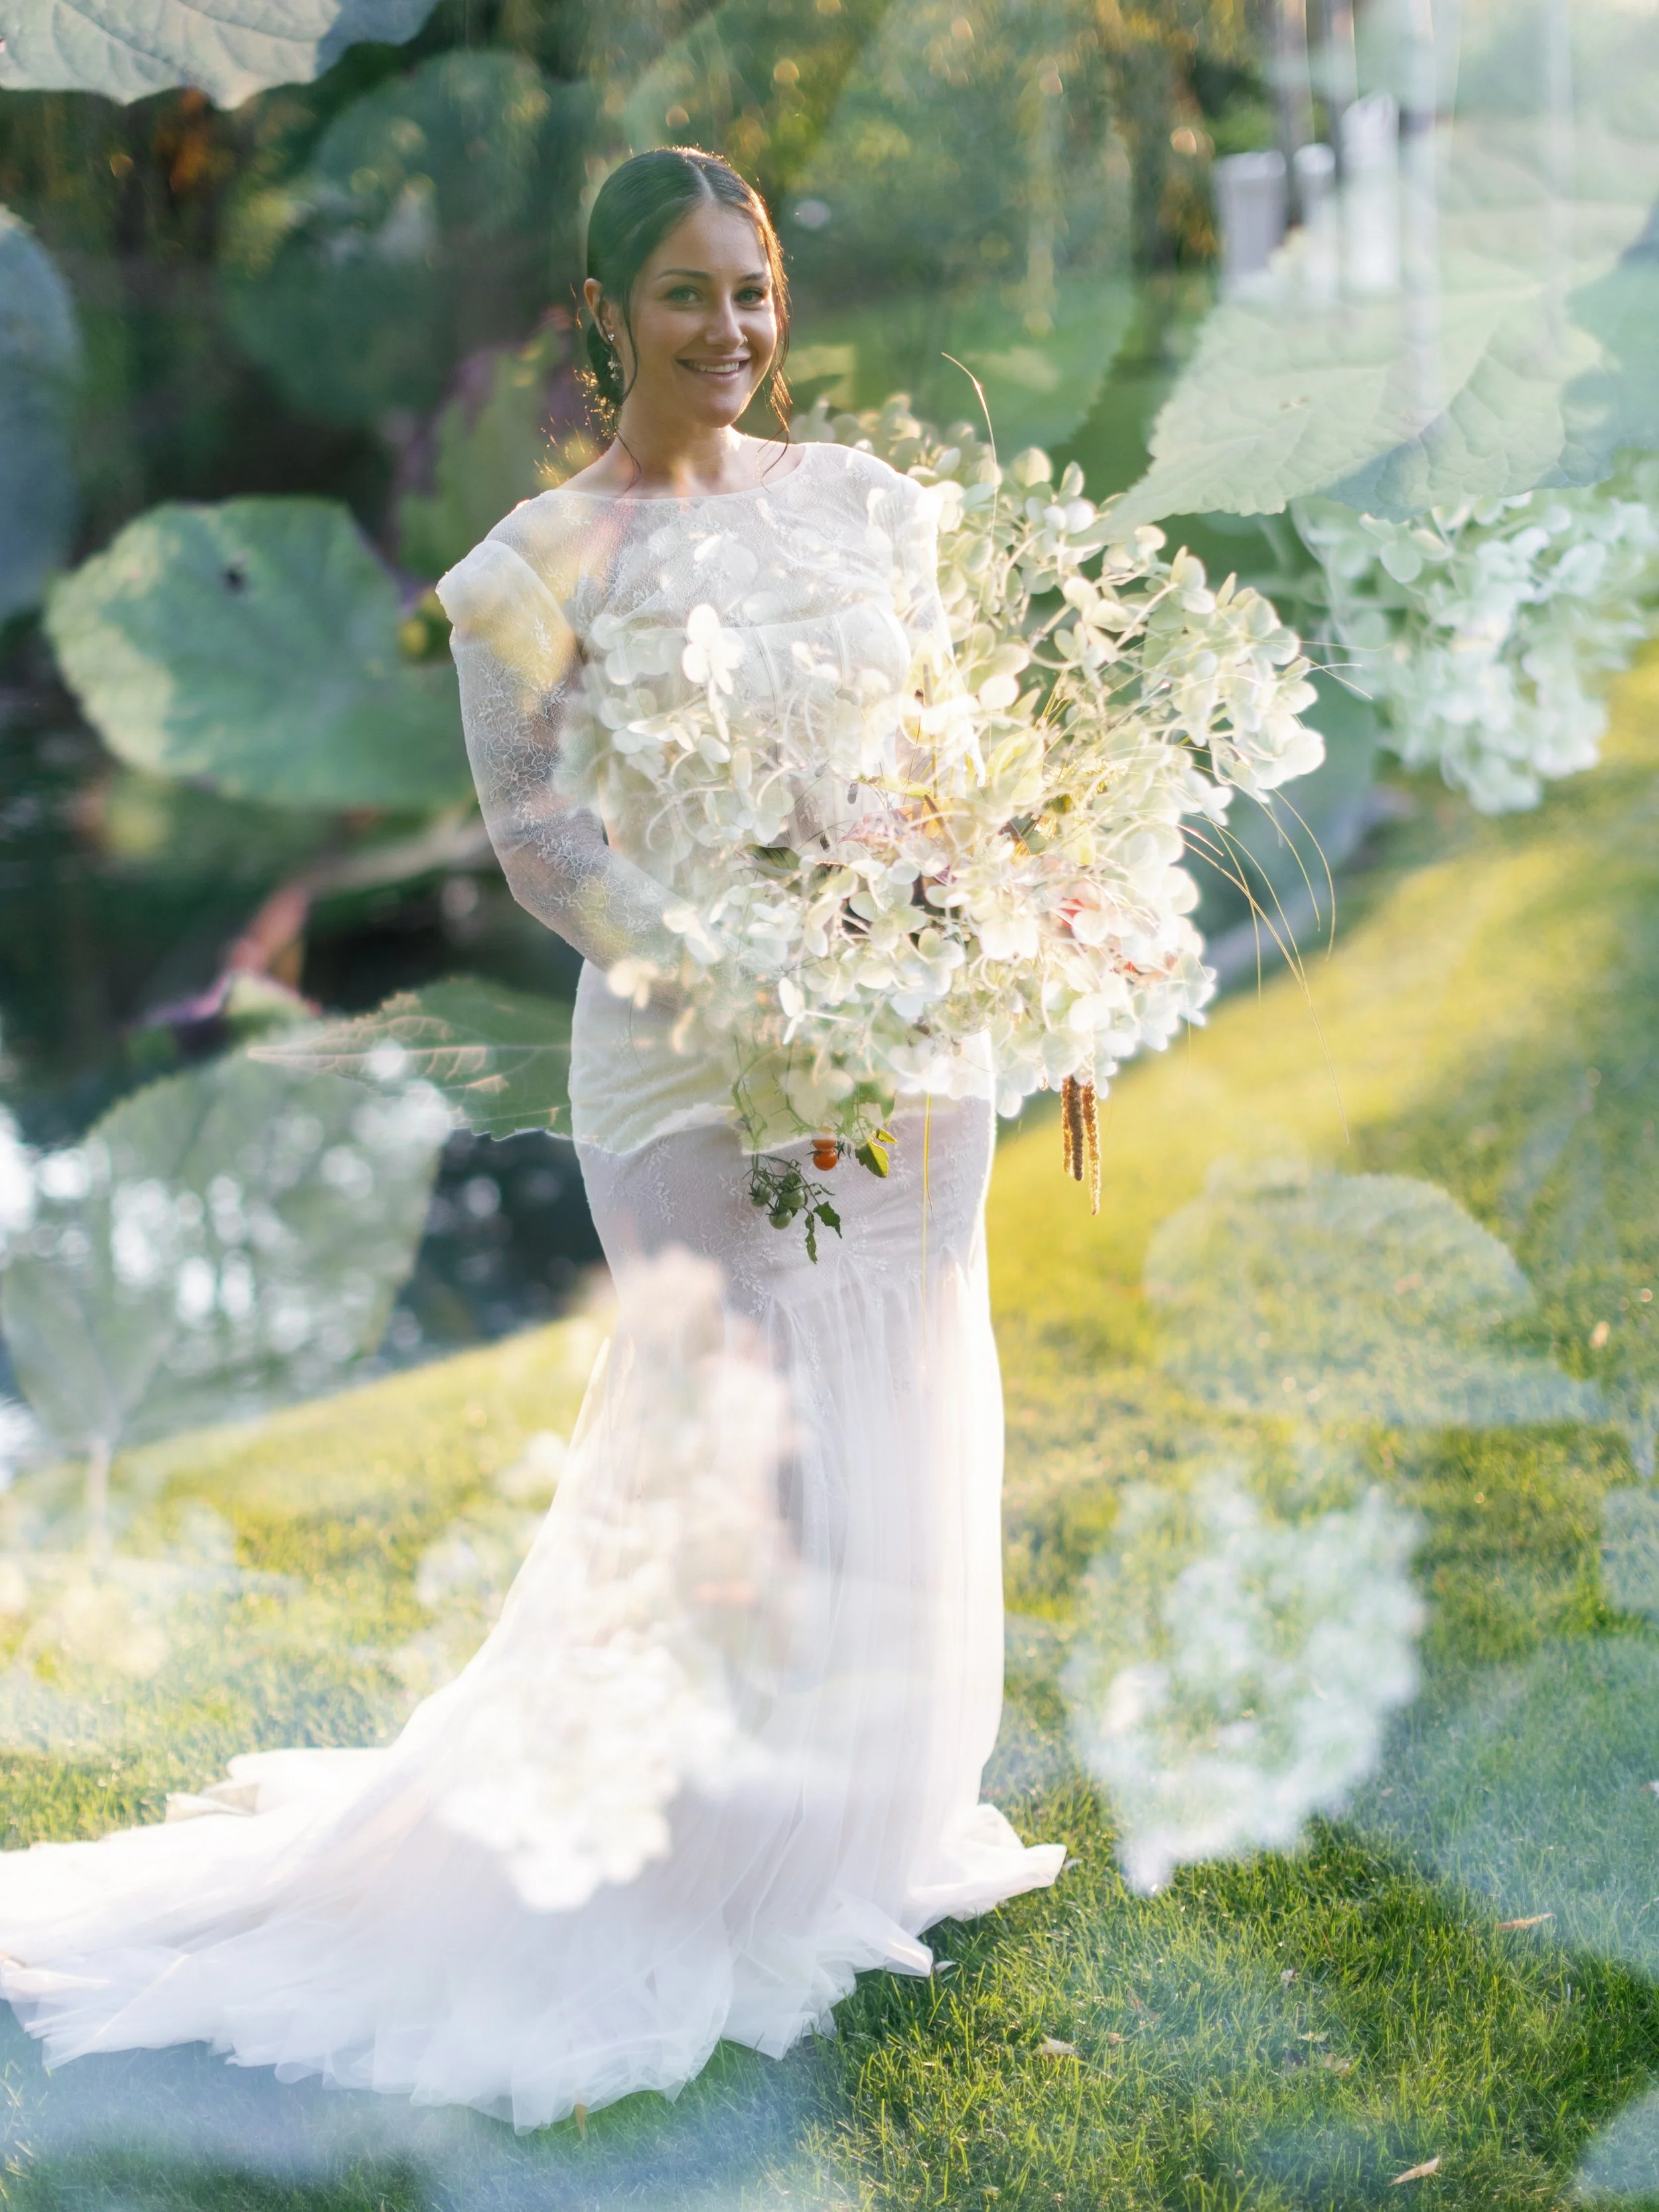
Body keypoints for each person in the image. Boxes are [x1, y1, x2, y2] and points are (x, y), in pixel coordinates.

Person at [0, 147, 1062, 2130]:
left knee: (902, 1392)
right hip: (683, 1047)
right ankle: (649, 1864)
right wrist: (744, 976)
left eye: (750, 290)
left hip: (911, 1032)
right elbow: (547, 844)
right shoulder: (529, 558)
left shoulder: (875, 511)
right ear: (603, 316)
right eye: (685, 294)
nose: (728, 330)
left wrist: (1029, 961)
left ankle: (839, 1829)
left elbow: (952, 764)